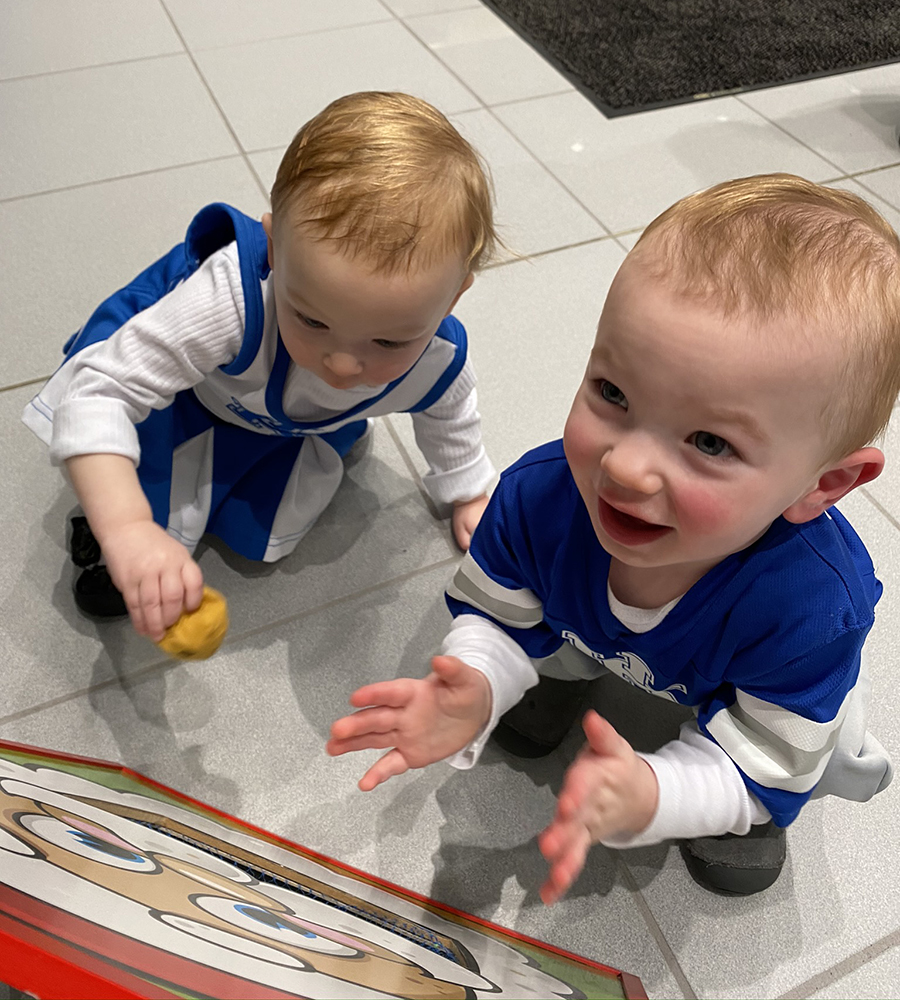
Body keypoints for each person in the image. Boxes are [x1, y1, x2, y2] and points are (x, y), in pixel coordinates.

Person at [327, 174, 899, 900]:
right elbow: (498, 608)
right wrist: (478, 677)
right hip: (585, 628)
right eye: (613, 393)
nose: (624, 467)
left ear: (825, 484)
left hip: (753, 687)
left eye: (709, 443)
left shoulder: (811, 607)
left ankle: (740, 809)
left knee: (799, 752)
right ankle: (551, 675)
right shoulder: (541, 497)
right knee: (531, 643)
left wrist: (658, 793)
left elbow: (775, 744)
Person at [23, 91, 498, 642]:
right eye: (311, 319)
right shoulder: (227, 304)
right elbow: (100, 393)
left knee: (260, 526)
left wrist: (469, 489)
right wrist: (126, 529)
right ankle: (101, 530)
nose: (343, 364)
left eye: (390, 340)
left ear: (453, 299)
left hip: (270, 420)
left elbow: (450, 413)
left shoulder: (437, 356)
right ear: (273, 251)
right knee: (130, 486)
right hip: (187, 395)